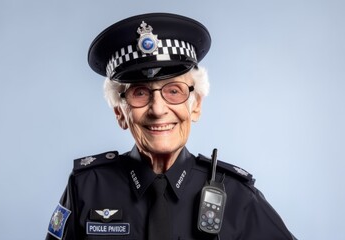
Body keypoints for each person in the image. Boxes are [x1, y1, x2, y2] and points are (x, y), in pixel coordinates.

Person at [46, 13, 297, 240]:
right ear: (120, 113)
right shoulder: (86, 187)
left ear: (196, 105)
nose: (158, 109)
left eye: (174, 91)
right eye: (140, 93)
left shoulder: (238, 197)